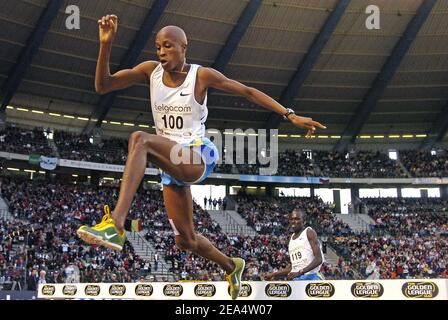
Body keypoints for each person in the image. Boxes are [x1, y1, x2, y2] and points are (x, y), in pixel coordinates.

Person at [77, 14, 325, 299]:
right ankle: (232, 266)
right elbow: (103, 85)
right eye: (157, 47)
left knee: (139, 139)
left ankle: (116, 225)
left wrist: (289, 115)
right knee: (186, 240)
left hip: (197, 155)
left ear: (184, 47)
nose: (161, 52)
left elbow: (247, 92)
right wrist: (105, 45)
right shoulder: (150, 71)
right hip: (171, 163)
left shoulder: (201, 75)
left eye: (168, 46)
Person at [263, 208, 325, 281]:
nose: (293, 221)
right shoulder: (291, 238)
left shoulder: (309, 232)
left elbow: (319, 259)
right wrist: (274, 274)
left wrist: (300, 272)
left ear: (304, 221)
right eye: (291, 219)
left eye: (297, 219)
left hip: (312, 277)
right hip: (297, 279)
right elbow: (293, 267)